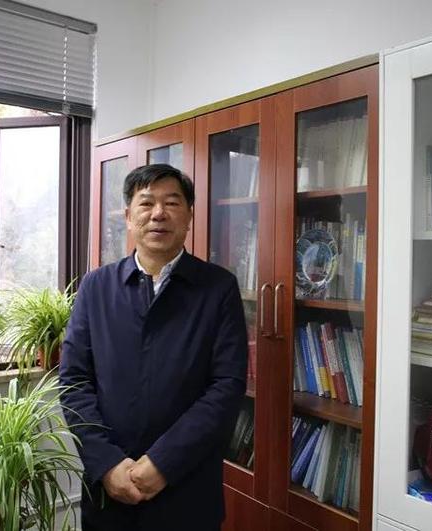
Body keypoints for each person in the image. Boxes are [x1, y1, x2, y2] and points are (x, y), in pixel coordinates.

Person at [60, 163, 248, 531]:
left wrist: (163, 463)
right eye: (146, 203)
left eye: (172, 203)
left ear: (189, 215)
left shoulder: (218, 288)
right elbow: (74, 381)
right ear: (129, 217)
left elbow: (227, 386)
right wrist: (108, 464)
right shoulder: (96, 287)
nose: (158, 213)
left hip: (187, 489)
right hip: (108, 492)